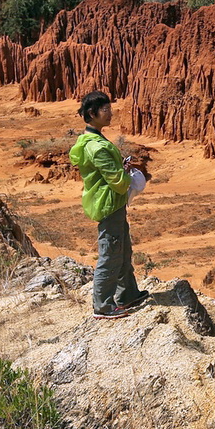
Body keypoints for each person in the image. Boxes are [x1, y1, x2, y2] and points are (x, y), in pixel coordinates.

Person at [68, 91, 149, 319]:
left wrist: (120, 169)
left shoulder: (95, 139)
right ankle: (103, 306)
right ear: (92, 113)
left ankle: (127, 295)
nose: (110, 113)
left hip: (113, 203)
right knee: (110, 254)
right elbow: (118, 182)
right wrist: (127, 175)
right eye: (105, 110)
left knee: (123, 250)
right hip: (108, 204)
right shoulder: (97, 147)